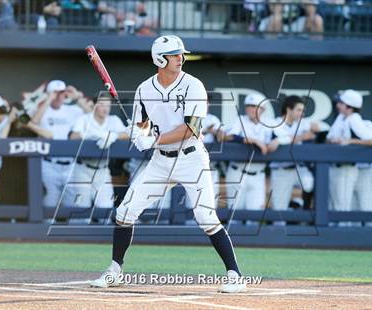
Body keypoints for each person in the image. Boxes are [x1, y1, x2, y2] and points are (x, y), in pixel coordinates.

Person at [90, 35, 246, 293]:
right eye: (174, 55)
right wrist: (138, 133)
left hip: (192, 158)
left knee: (206, 217)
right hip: (160, 162)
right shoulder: (144, 89)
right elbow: (141, 124)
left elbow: (192, 128)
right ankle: (115, 270)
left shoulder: (193, 85)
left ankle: (235, 275)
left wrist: (153, 140)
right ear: (160, 59)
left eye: (180, 54)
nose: (180, 58)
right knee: (124, 213)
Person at [32, 80, 91, 208]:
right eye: (56, 93)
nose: (59, 96)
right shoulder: (43, 110)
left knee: (72, 203)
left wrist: (78, 98)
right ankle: (45, 227)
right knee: (50, 201)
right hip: (49, 163)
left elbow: (93, 117)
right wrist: (49, 98)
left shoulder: (73, 110)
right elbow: (34, 122)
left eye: (62, 93)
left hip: (70, 164)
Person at [326, 89, 372, 222]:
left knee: (343, 207)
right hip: (336, 166)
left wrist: (350, 141)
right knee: (338, 206)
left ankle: (345, 240)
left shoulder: (354, 119)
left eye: (341, 102)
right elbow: (329, 138)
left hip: (346, 168)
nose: (338, 104)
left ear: (348, 106)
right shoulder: (341, 118)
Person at [223, 93, 275, 224]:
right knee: (234, 217)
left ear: (263, 109)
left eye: (255, 106)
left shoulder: (269, 123)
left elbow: (286, 136)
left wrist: (277, 141)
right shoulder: (240, 120)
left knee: (255, 217)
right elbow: (227, 136)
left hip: (258, 175)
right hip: (237, 172)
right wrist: (253, 140)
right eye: (249, 106)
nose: (251, 109)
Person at [69, 96, 128, 210]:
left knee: (106, 207)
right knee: (81, 208)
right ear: (94, 105)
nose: (105, 109)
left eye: (108, 105)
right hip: (82, 170)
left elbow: (127, 135)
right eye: (102, 105)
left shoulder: (113, 120)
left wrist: (113, 136)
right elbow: (73, 136)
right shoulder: (84, 119)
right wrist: (89, 134)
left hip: (103, 170)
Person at [270, 95, 319, 218]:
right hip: (281, 170)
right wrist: (302, 137)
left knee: (310, 183)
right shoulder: (275, 123)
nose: (301, 114)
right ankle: (294, 206)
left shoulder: (301, 123)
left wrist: (313, 130)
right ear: (288, 109)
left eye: (303, 111)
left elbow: (316, 129)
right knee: (279, 212)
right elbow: (285, 139)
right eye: (299, 110)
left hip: (298, 168)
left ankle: (303, 207)